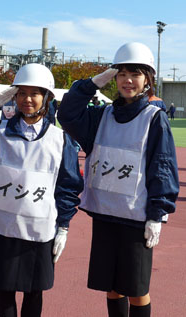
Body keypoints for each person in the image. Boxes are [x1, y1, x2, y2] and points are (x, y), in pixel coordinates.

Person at [0, 63, 83, 317]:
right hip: (3, 228)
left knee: (35, 292)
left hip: (40, 231)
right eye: (21, 93)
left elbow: (67, 186)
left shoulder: (60, 140)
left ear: (47, 98)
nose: (27, 99)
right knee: (5, 290)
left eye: (35, 93)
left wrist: (63, 226)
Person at [57, 42, 179, 317]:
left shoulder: (154, 118)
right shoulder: (102, 115)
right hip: (105, 214)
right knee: (111, 287)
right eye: (121, 73)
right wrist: (89, 84)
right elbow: (66, 114)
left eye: (135, 74)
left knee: (136, 289)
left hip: (136, 218)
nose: (127, 80)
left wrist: (157, 214)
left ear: (147, 79)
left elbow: (162, 166)